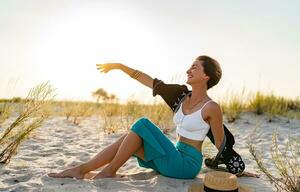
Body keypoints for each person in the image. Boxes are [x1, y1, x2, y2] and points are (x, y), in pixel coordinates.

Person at [48, 55, 243, 179]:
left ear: (207, 76)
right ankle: (82, 169)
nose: (188, 70)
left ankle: (108, 171)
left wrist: (237, 168)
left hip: (186, 165)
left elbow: (221, 143)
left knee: (142, 124)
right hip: (173, 155)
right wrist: (119, 66)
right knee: (131, 139)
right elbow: (147, 80)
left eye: (194, 67)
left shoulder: (212, 107)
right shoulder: (180, 95)